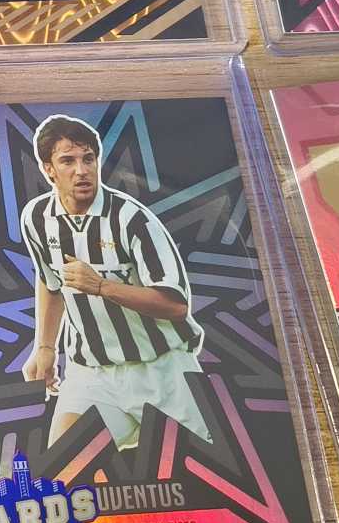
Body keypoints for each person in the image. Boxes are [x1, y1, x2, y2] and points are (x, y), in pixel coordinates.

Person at [18, 116, 210, 449]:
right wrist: (45, 348)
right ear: (49, 169)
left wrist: (102, 286)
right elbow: (51, 283)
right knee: (61, 470)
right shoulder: (36, 218)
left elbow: (176, 305)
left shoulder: (132, 219)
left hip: (162, 371)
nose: (81, 170)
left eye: (88, 159)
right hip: (92, 374)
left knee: (205, 471)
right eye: (68, 161)